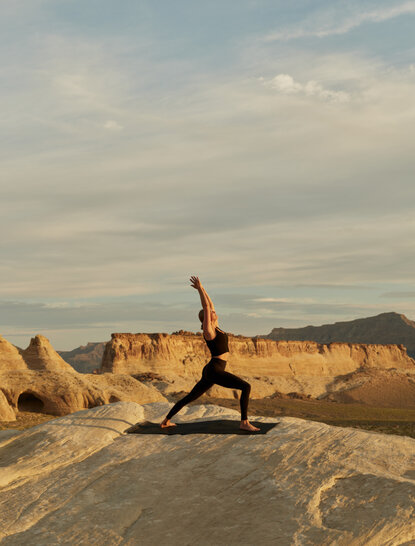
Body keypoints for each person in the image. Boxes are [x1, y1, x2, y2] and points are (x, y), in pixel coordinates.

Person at [160, 276, 260, 432]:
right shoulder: (209, 331)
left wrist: (203, 287)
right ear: (206, 318)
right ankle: (244, 422)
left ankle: (166, 421)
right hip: (215, 370)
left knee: (190, 397)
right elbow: (206, 307)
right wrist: (199, 290)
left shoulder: (217, 327)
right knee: (246, 387)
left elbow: (210, 305)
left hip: (213, 369)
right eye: (211, 313)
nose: (213, 312)